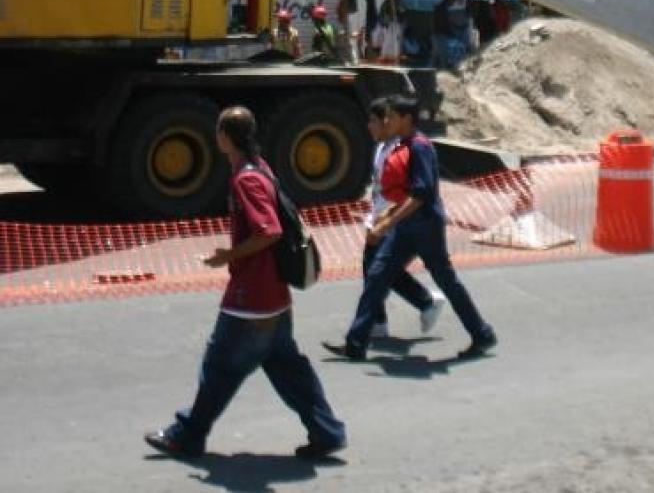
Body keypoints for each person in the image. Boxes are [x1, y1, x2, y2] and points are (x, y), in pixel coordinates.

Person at [145, 106, 346, 462]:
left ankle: (187, 435)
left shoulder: (246, 179)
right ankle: (326, 432)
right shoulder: (260, 168)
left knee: (219, 368)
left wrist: (228, 256)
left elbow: (268, 231)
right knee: (289, 370)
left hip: (251, 298)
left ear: (224, 137)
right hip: (275, 297)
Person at [323, 94, 497, 362]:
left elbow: (421, 194)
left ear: (406, 119)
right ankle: (356, 343)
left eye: (391, 116)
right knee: (377, 276)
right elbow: (402, 194)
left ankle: (482, 333)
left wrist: (386, 224)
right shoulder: (401, 145)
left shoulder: (419, 147)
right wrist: (384, 221)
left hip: (425, 226)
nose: (387, 120)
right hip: (405, 226)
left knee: (445, 281)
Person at [361, 98, 445, 338]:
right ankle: (380, 322)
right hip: (379, 217)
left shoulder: (404, 149)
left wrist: (385, 220)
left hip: (393, 219)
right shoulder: (381, 148)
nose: (370, 126)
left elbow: (405, 192)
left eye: (375, 121)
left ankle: (424, 302)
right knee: (377, 269)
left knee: (380, 269)